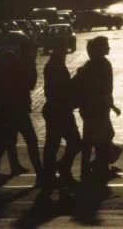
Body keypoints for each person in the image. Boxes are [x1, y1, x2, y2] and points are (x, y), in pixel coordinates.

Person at [0, 43, 43, 187]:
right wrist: (32, 65)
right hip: (17, 109)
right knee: (30, 141)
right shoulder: (22, 65)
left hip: (8, 109)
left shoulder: (8, 67)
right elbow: (30, 84)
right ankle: (40, 173)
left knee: (2, 143)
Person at [74, 36, 121, 185]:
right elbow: (105, 89)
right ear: (99, 49)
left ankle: (89, 167)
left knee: (91, 138)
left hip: (90, 107)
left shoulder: (89, 65)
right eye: (106, 45)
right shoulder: (102, 65)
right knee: (101, 137)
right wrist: (110, 105)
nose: (109, 47)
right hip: (98, 107)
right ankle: (99, 167)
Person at [42, 40, 82, 193]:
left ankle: (51, 173)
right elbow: (61, 89)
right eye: (63, 50)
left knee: (53, 143)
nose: (65, 53)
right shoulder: (54, 67)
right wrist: (76, 80)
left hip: (58, 109)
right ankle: (59, 170)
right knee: (71, 141)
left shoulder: (54, 65)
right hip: (59, 110)